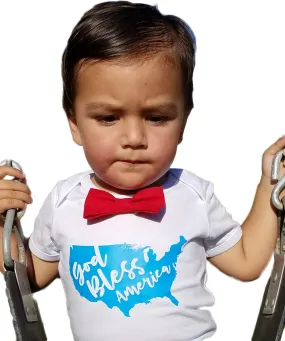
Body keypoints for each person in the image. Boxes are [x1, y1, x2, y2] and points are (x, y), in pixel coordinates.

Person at [0, 1, 285, 340]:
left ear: (183, 122)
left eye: (157, 118)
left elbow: (248, 261)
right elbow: (29, 276)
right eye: (108, 117)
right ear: (74, 124)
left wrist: (271, 184)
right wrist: (3, 221)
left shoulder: (193, 196)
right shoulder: (63, 203)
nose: (134, 138)